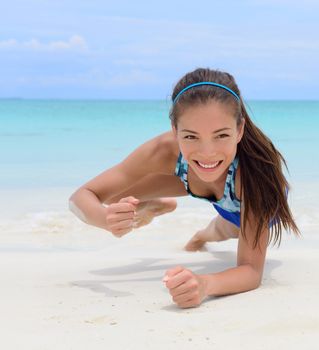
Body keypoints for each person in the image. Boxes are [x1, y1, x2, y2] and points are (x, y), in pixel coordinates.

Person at [69, 67, 300, 308]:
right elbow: (80, 197)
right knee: (113, 195)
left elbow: (251, 271)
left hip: (250, 202)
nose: (207, 151)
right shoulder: (163, 149)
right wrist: (105, 219)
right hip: (195, 178)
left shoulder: (255, 179)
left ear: (239, 129)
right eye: (191, 136)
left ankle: (198, 239)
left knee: (222, 231)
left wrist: (204, 284)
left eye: (221, 135)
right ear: (175, 130)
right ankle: (151, 207)